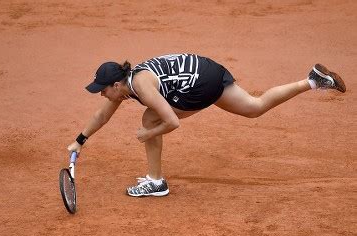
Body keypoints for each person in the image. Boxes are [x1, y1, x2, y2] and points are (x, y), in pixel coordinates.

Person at [67, 53, 346, 197]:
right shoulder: (126, 83)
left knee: (150, 118)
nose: (101, 94)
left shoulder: (140, 85)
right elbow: (102, 116)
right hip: (209, 70)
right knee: (254, 107)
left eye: (102, 90)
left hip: (201, 83)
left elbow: (172, 121)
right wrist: (80, 139)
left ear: (116, 84)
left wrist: (148, 133)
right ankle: (313, 80)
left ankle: (156, 182)